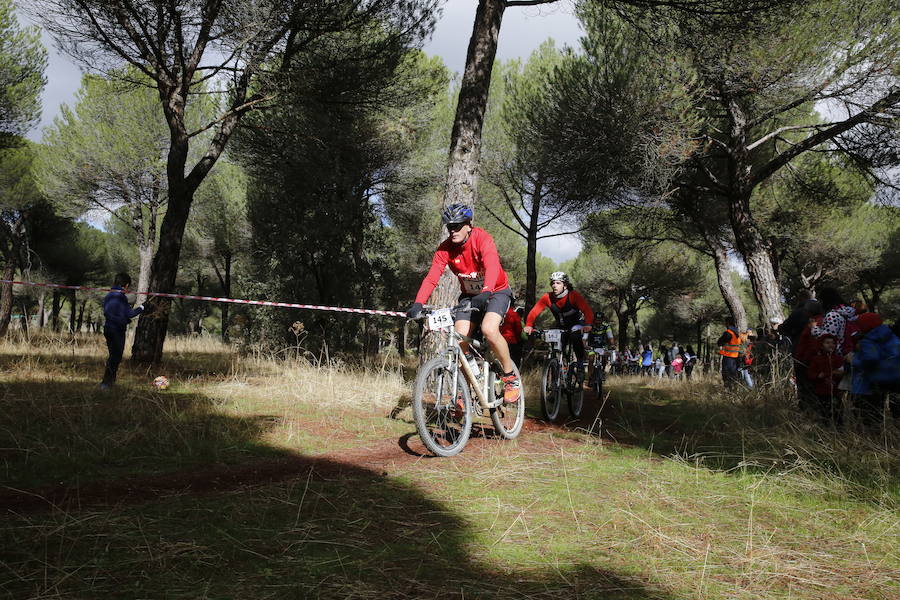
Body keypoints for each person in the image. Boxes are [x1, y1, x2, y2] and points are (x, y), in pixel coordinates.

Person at [406, 203, 520, 403]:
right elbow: (432, 277)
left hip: (496, 291)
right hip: (469, 296)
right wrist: (418, 303)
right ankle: (465, 391)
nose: (452, 230)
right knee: (460, 342)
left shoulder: (482, 239)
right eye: (449, 226)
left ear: (469, 224)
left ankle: (510, 378)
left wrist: (486, 291)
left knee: (489, 330)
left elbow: (492, 265)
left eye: (457, 226)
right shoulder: (445, 249)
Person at [524, 272, 594, 382]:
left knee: (575, 336)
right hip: (561, 325)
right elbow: (534, 311)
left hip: (576, 323)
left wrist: (588, 324)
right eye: (552, 283)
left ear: (565, 285)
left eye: (558, 283)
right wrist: (529, 325)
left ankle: (580, 365)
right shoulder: (548, 297)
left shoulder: (573, 295)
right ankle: (558, 371)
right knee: (555, 344)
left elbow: (587, 310)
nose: (554, 285)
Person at [847, 312, 900, 425]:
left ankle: (874, 435)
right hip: (897, 377)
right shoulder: (890, 334)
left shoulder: (868, 339)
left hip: (880, 379)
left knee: (874, 412)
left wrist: (854, 360)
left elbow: (871, 359)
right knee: (896, 408)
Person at [100, 273, 151, 390]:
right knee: (115, 357)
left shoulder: (109, 295)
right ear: (126, 285)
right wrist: (142, 307)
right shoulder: (121, 297)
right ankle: (106, 383)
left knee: (112, 356)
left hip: (107, 329)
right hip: (117, 330)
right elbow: (130, 313)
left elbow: (110, 312)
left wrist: (124, 318)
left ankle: (109, 382)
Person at [807, 334, 844, 424]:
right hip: (822, 391)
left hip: (836, 391)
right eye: (827, 343)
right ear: (821, 345)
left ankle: (839, 430)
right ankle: (825, 429)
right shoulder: (817, 359)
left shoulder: (838, 359)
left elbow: (843, 372)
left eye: (833, 343)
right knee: (824, 412)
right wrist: (818, 376)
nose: (830, 345)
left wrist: (840, 374)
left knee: (838, 412)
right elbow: (810, 374)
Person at [587, 313, 616, 386]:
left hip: (602, 346)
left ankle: (602, 371)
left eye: (600, 320)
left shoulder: (606, 326)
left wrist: (612, 344)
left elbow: (610, 337)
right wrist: (584, 345)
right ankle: (590, 377)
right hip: (592, 346)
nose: (598, 321)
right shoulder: (590, 326)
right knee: (591, 359)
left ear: (602, 320)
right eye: (596, 319)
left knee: (604, 356)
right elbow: (585, 336)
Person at [717, 317, 742, 389]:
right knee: (733, 375)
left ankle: (728, 390)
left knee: (726, 374)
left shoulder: (728, 333)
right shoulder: (737, 333)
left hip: (728, 357)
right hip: (736, 357)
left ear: (728, 323)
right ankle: (734, 390)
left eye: (725, 322)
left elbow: (719, 342)